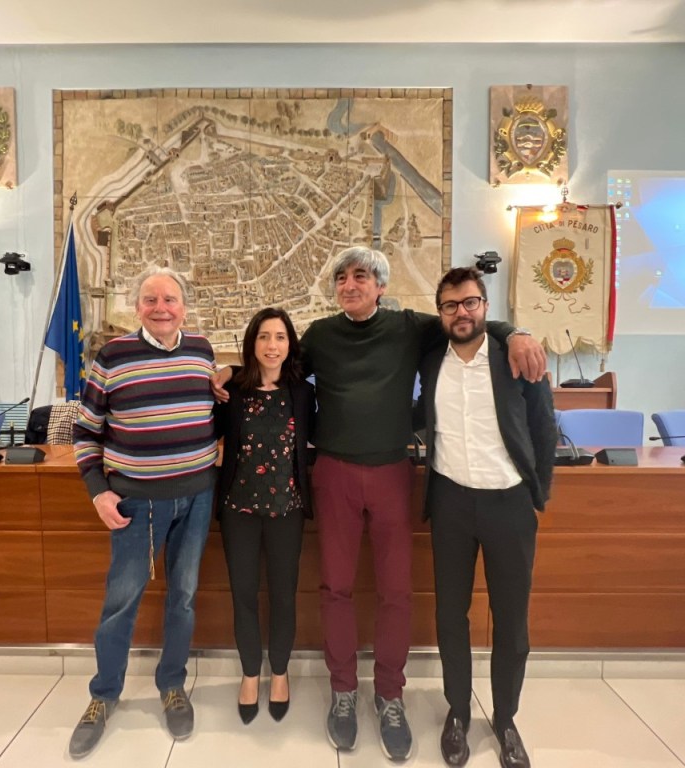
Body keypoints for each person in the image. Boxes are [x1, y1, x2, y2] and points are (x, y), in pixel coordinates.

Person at [213, 246, 546, 761]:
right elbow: (275, 365)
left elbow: (467, 321)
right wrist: (227, 372)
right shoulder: (321, 334)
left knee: (395, 592)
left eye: (361, 276)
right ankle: (343, 691)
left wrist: (516, 332)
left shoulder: (409, 327)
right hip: (335, 474)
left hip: (393, 473)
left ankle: (390, 695)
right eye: (342, 278)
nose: (350, 285)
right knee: (336, 588)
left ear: (381, 286)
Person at [68, 268, 218, 759]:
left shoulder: (202, 352)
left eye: (170, 299)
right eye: (150, 299)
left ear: (184, 308)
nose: (161, 308)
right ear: (137, 307)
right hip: (136, 502)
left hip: (197, 497)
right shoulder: (112, 357)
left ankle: (172, 685)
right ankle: (103, 694)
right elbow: (85, 432)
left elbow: (210, 413)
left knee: (184, 598)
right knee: (121, 602)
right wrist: (98, 492)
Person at [415, 267, 557, 768]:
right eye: (451, 305)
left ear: (485, 306)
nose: (462, 312)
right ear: (440, 313)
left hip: (508, 504)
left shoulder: (515, 357)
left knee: (511, 620)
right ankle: (457, 712)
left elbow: (544, 427)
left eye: (471, 302)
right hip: (451, 501)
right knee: (450, 615)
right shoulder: (431, 359)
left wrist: (538, 492)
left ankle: (506, 719)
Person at [213, 307, 316, 724]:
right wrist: (226, 371)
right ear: (251, 342)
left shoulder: (302, 393)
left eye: (280, 337)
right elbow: (210, 431)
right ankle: (250, 673)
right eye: (263, 337)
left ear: (290, 344)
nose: (272, 345)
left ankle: (280, 672)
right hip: (238, 509)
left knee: (283, 595)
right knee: (243, 594)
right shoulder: (232, 391)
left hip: (286, 510)